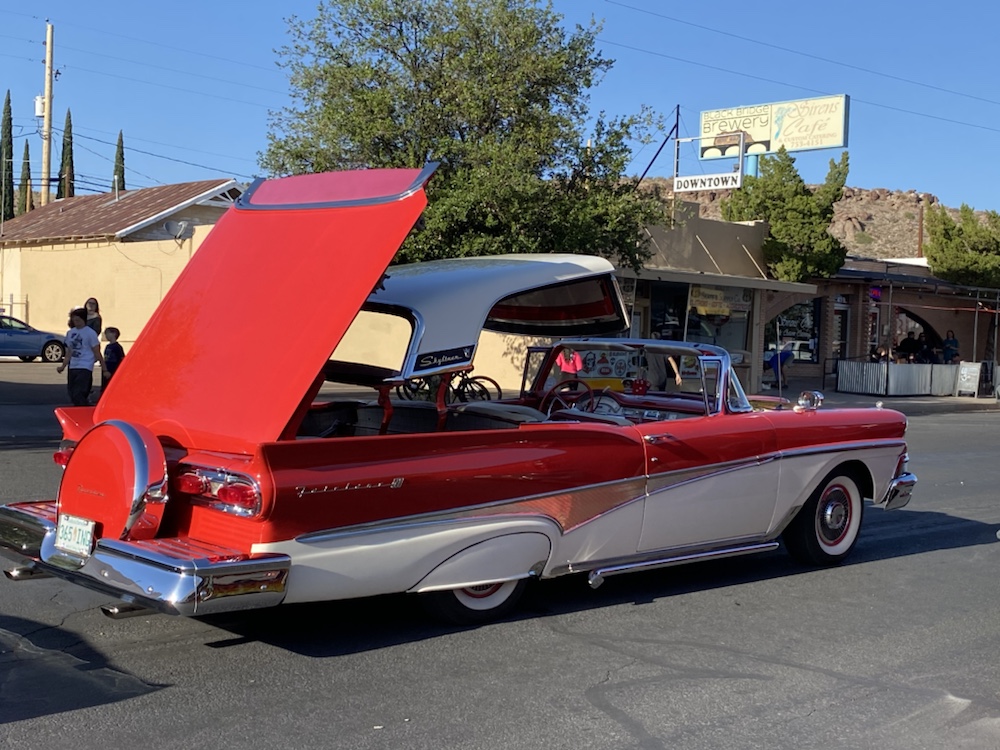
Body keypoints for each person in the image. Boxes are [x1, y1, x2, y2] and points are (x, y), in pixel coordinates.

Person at [57, 307, 108, 406]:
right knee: (72, 392)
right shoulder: (70, 333)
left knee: (79, 392)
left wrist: (104, 369)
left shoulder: (90, 333)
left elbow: (97, 352)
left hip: (85, 365)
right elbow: (69, 352)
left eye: (78, 320)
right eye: (74, 320)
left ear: (84, 319)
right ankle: (81, 407)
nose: (76, 322)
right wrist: (63, 366)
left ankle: (82, 408)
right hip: (73, 366)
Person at [102, 326, 125, 391]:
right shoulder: (107, 346)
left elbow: (121, 358)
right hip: (107, 368)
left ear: (114, 334)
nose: (106, 335)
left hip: (113, 369)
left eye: (107, 333)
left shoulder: (117, 347)